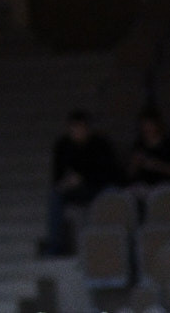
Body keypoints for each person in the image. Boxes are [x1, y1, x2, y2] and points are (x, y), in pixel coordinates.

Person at [45, 109, 124, 255]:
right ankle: (55, 246)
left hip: (98, 189)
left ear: (87, 128)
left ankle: (112, 244)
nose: (77, 132)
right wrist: (66, 182)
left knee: (113, 193)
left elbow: (111, 174)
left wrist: (84, 179)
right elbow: (57, 177)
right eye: (74, 128)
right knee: (55, 195)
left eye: (81, 128)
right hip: (75, 191)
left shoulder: (100, 144)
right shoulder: (62, 146)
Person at [127, 110, 170, 187]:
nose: (146, 127)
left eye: (149, 124)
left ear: (157, 125)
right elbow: (130, 174)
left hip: (167, 188)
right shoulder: (139, 145)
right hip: (143, 189)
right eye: (143, 124)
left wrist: (157, 166)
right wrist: (134, 164)